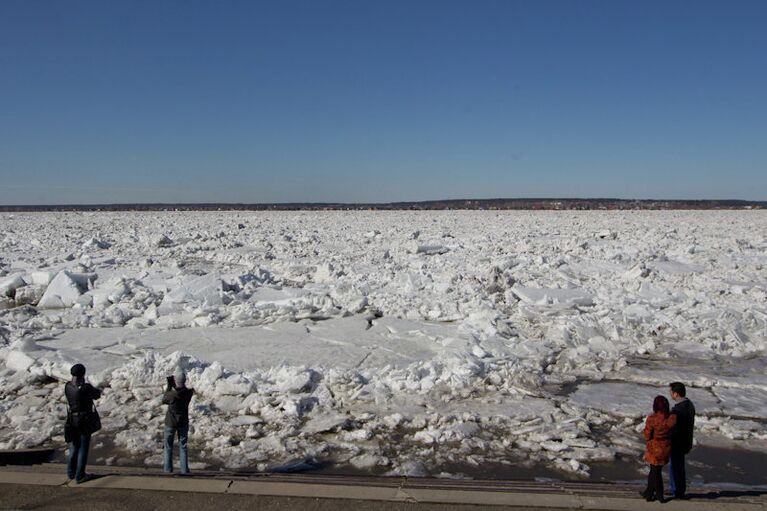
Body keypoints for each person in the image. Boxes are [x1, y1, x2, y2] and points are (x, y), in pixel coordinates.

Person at [64, 363, 102, 483]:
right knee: (83, 448)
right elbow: (97, 395)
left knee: (74, 446)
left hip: (72, 419)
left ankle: (71, 472)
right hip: (84, 420)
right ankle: (80, 475)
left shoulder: (68, 386)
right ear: (83, 374)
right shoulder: (85, 388)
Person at [641, 395, 677, 503]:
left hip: (654, 448)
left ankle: (659, 494)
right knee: (655, 470)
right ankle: (648, 492)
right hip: (665, 447)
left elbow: (647, 435)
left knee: (655, 472)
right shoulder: (672, 418)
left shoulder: (652, 419)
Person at [162, 369, 194, 474]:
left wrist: (169, 386)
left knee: (168, 446)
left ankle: (168, 469)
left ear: (176, 381)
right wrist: (174, 385)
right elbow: (181, 391)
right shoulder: (189, 393)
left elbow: (164, 399)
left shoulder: (172, 395)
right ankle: (184, 470)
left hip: (170, 423)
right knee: (183, 446)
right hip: (183, 422)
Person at [669, 381, 696, 499]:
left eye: (671, 392)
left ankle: (676, 490)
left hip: (677, 442)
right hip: (685, 441)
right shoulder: (689, 404)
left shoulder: (679, 409)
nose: (670, 394)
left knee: (675, 467)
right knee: (679, 466)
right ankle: (679, 490)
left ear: (675, 394)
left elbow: (674, 426)